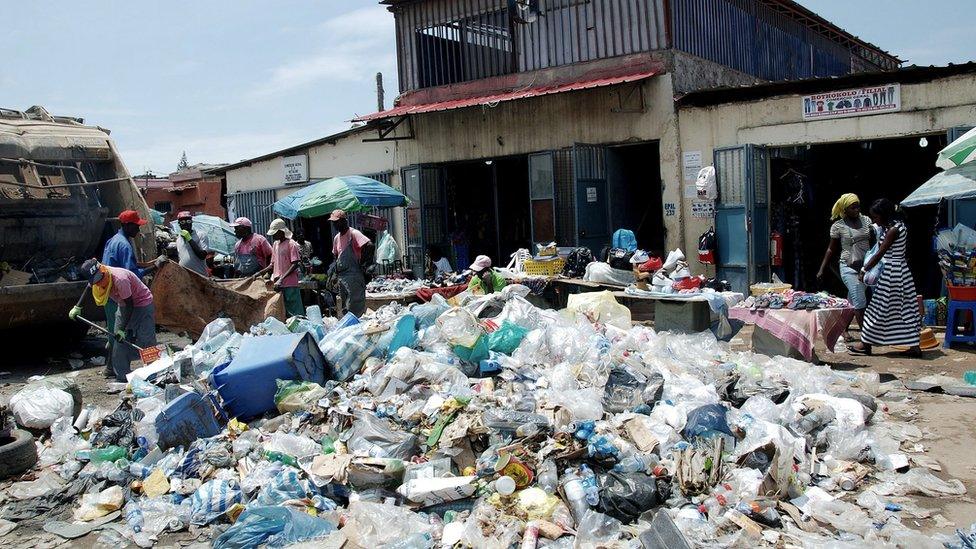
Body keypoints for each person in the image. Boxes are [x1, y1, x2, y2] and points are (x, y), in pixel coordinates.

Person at [850, 199, 922, 357]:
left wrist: (864, 269)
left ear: (884, 215)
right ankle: (914, 346)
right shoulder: (898, 226)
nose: (875, 220)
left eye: (876, 217)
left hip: (891, 274)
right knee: (906, 310)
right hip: (901, 272)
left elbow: (880, 253)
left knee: (876, 309)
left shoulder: (892, 231)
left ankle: (865, 344)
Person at [70, 259, 156, 382]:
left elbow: (129, 304)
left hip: (141, 303)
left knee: (147, 340)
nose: (99, 281)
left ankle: (153, 375)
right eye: (96, 280)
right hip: (122, 305)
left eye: (100, 278)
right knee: (118, 341)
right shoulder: (95, 276)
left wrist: (122, 329)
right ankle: (123, 377)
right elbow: (89, 288)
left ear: (102, 269)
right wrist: (77, 306)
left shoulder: (120, 279)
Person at [101, 210, 162, 377]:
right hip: (127, 298)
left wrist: (150, 263)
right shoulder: (125, 245)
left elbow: (128, 268)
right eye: (136, 226)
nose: (138, 230)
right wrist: (154, 267)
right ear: (127, 225)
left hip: (113, 295)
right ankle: (154, 371)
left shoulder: (112, 241)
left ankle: (114, 370)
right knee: (144, 337)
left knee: (118, 335)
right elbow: (132, 274)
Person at [816, 193, 872, 332]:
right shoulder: (838, 226)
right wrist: (822, 269)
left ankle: (841, 330)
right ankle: (867, 338)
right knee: (859, 300)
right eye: (853, 208)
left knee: (852, 300)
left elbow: (876, 242)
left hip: (866, 268)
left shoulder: (867, 221)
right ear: (845, 209)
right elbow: (831, 249)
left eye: (858, 207)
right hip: (848, 268)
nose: (857, 210)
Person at [329, 209, 374, 317]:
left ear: (344, 221)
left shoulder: (353, 234)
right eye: (333, 222)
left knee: (354, 308)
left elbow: (370, 245)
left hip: (353, 275)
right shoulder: (337, 238)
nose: (334, 224)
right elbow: (336, 255)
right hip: (342, 277)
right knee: (345, 308)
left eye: (336, 222)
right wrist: (335, 274)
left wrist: (364, 264)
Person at [258, 218, 305, 318]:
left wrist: (282, 278)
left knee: (295, 312)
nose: (273, 236)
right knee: (283, 311)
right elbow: (272, 264)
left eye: (275, 233)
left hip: (290, 283)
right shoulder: (275, 245)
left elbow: (295, 263)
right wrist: (259, 273)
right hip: (278, 284)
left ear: (280, 231)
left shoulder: (291, 244)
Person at [175, 211, 209, 276]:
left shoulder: (201, 235)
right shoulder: (178, 239)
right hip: (185, 276)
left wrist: (189, 238)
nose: (186, 224)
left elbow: (202, 255)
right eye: (182, 222)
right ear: (179, 224)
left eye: (188, 221)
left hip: (199, 275)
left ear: (191, 222)